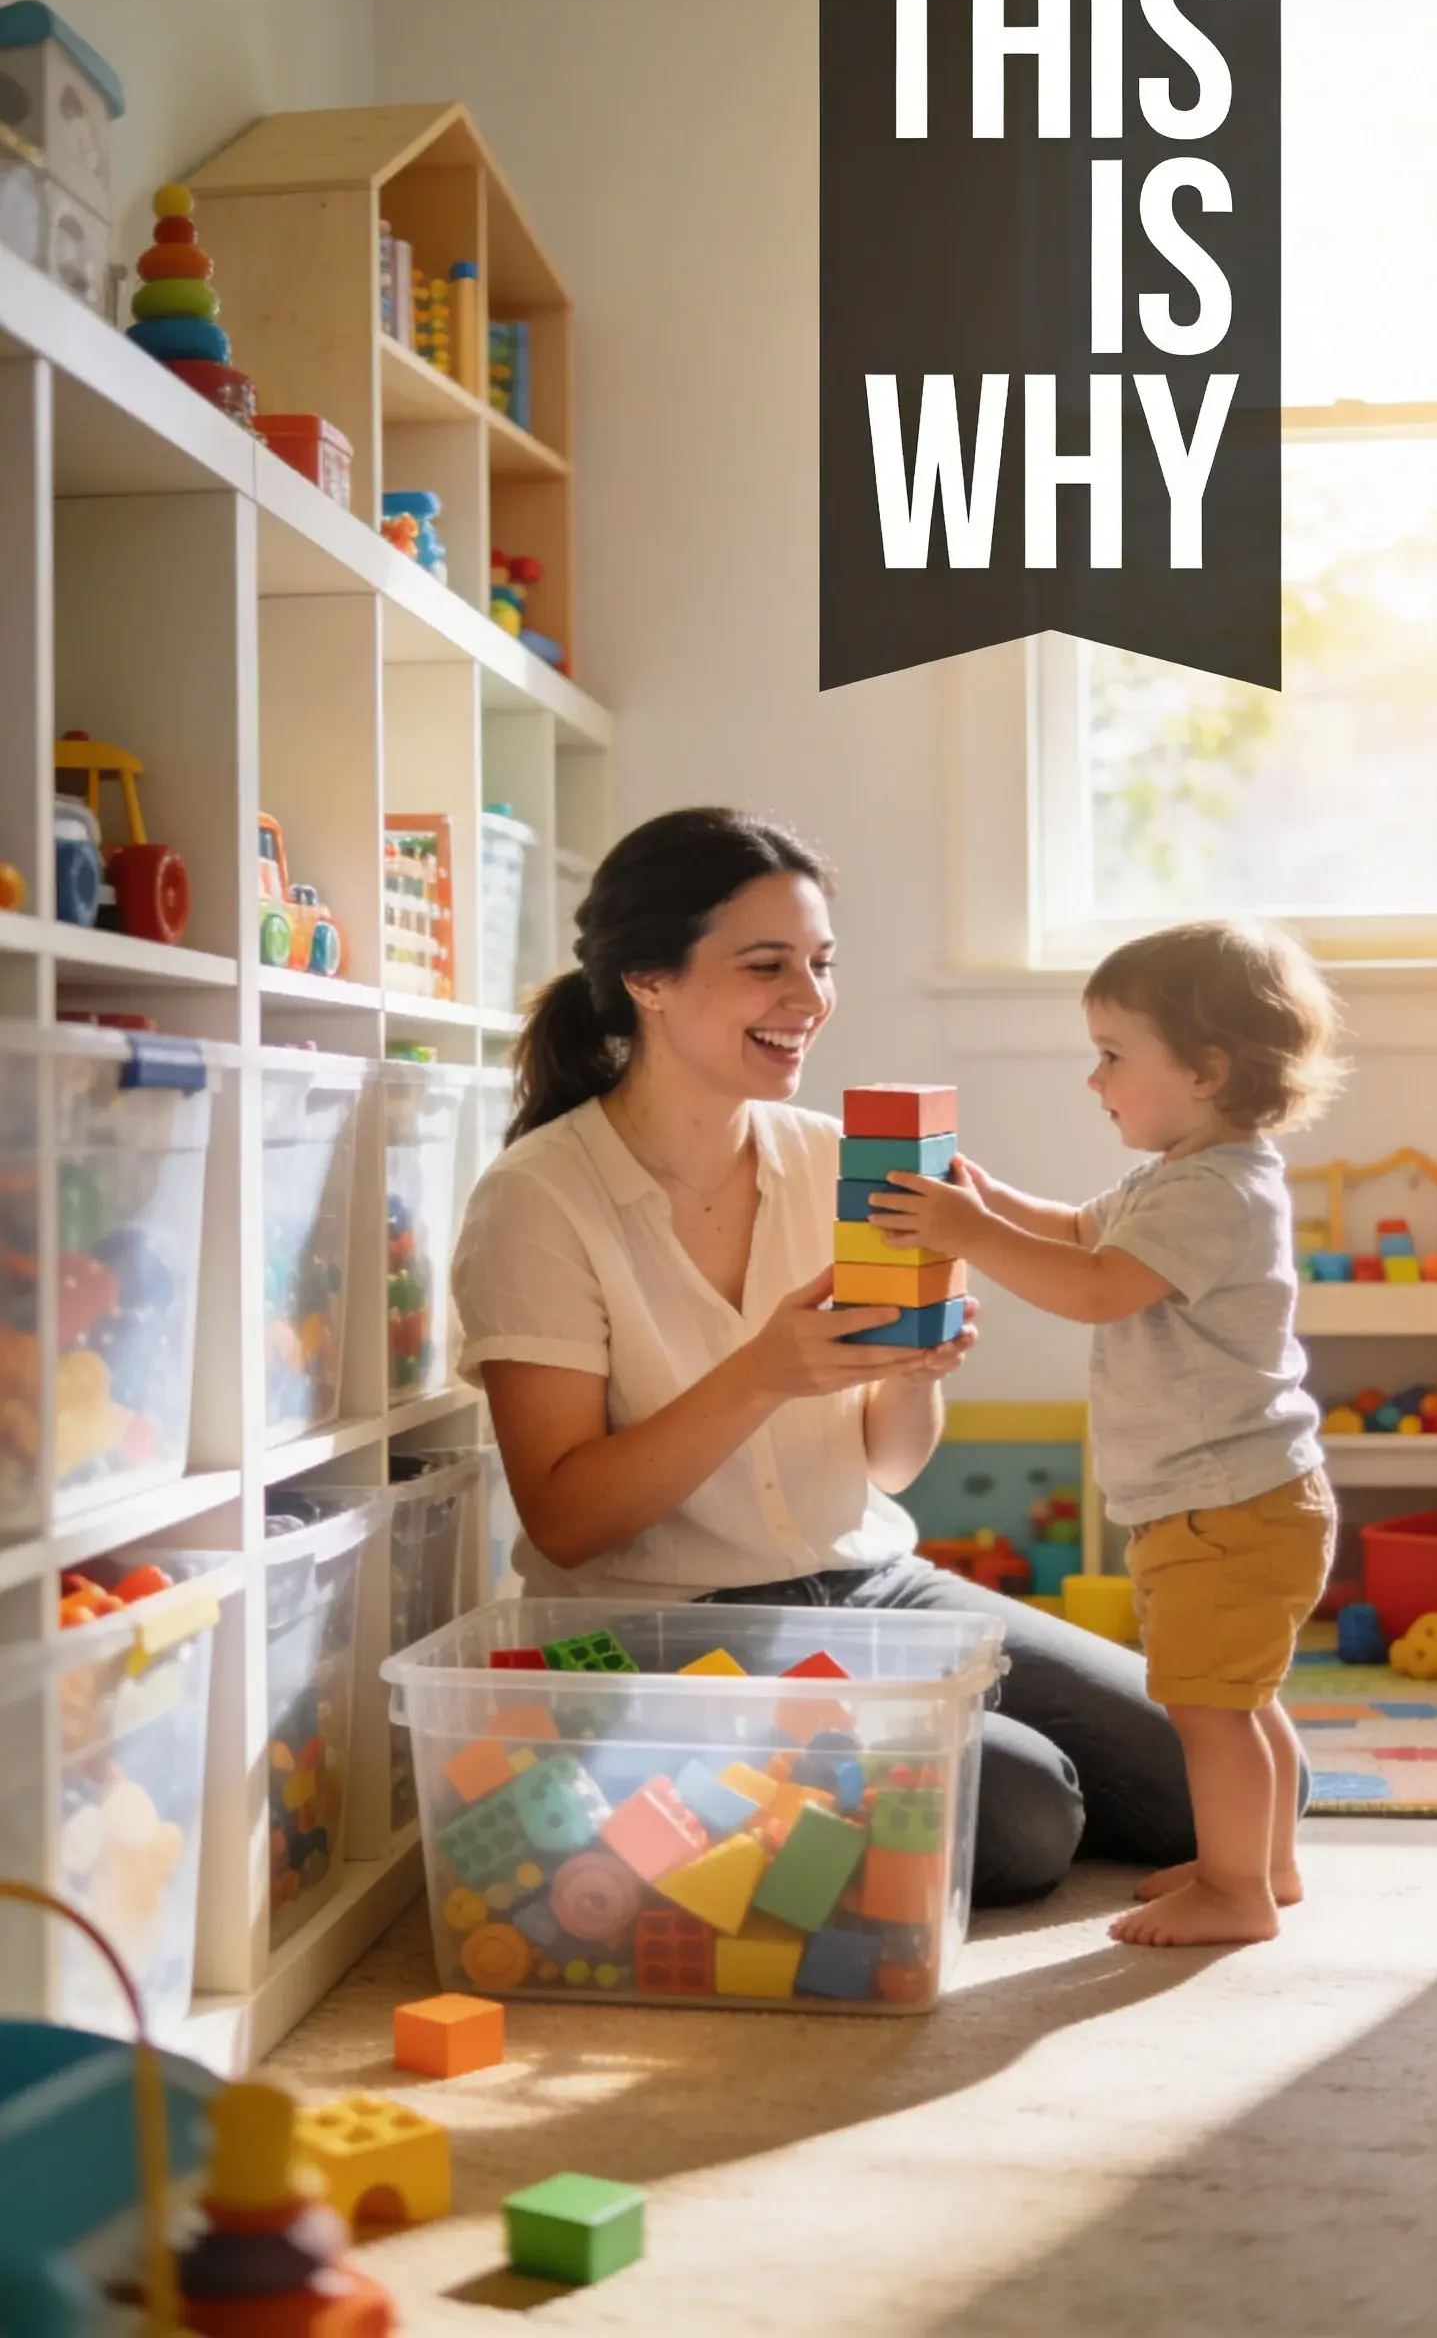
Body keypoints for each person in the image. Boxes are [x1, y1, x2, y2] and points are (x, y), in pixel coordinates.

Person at [452, 806, 1204, 1908]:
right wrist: (763, 1371)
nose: (809, 1000)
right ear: (648, 980)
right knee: (1025, 1810)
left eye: (820, 963)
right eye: (767, 967)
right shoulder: (538, 1199)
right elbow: (566, 1519)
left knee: (1207, 1767)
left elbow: (890, 1467)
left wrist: (911, 1374)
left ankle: (816, 1790)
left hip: (873, 1584)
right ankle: (718, 1804)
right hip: (672, 1626)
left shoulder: (845, 1162)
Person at [873, 918, 1340, 1946]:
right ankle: (1266, 1863)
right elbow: (1082, 1232)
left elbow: (1095, 1287)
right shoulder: (1177, 1173)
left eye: (1114, 1056)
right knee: (1237, 1695)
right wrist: (989, 1201)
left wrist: (969, 1236)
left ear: (1209, 1069)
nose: (1096, 1080)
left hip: (1226, 1505)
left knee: (1211, 1707)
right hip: (1227, 1499)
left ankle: (1237, 1892)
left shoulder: (1217, 1191)